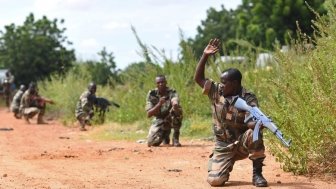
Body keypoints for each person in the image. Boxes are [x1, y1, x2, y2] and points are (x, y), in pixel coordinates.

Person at [194, 38, 268, 187]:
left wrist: (259, 124)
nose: (221, 85)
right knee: (215, 181)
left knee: (254, 133)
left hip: (241, 143)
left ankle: (257, 175)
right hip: (223, 145)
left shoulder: (248, 98)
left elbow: (251, 122)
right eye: (220, 82)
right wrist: (205, 55)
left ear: (234, 84)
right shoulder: (216, 91)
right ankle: (223, 163)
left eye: (224, 82)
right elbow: (198, 78)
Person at [146, 75, 183, 147]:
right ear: (156, 84)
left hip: (170, 116)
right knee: (151, 143)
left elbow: (175, 99)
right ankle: (164, 135)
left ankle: (175, 138)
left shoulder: (172, 92)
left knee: (177, 110)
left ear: (166, 82)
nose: (160, 84)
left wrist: (175, 104)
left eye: (162, 82)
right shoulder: (152, 94)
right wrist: (159, 104)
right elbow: (149, 114)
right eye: (158, 82)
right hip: (159, 119)